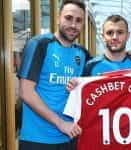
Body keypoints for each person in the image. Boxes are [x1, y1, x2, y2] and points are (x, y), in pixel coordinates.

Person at [65, 15, 131, 150]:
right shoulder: (90, 67)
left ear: (128, 35)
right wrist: (74, 87)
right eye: (109, 33)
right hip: (101, 143)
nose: (114, 37)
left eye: (120, 32)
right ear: (103, 36)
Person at [17, 0, 91, 150]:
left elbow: (94, 82)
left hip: (69, 137)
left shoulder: (82, 53)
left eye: (79, 20)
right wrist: (60, 123)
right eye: (68, 18)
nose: (73, 25)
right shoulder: (40, 44)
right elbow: (26, 92)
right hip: (37, 139)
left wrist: (129, 55)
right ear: (58, 18)